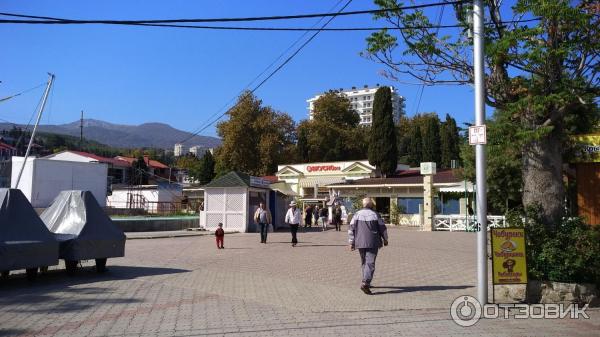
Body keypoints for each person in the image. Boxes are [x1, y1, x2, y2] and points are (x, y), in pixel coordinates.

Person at [348, 197, 388, 295]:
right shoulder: (375, 214)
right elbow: (383, 228)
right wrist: (385, 239)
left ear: (363, 205)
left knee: (364, 262)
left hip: (360, 242)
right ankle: (365, 283)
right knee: (370, 262)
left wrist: (351, 242)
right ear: (371, 205)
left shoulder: (356, 214)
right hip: (373, 242)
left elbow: (351, 229)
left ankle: (365, 280)